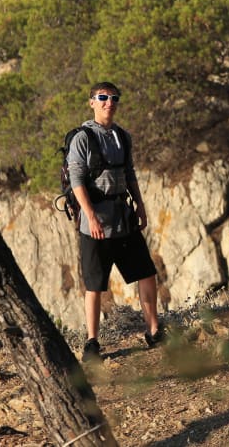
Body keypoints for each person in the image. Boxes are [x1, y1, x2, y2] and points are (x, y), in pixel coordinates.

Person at [67, 81, 163, 361]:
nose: (109, 102)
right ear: (92, 102)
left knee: (146, 273)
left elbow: (130, 173)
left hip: (123, 216)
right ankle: (92, 342)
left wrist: (141, 206)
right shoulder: (82, 138)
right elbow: (76, 181)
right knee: (95, 285)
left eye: (114, 98)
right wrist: (90, 216)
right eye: (103, 97)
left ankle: (154, 330)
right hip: (94, 222)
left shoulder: (123, 136)